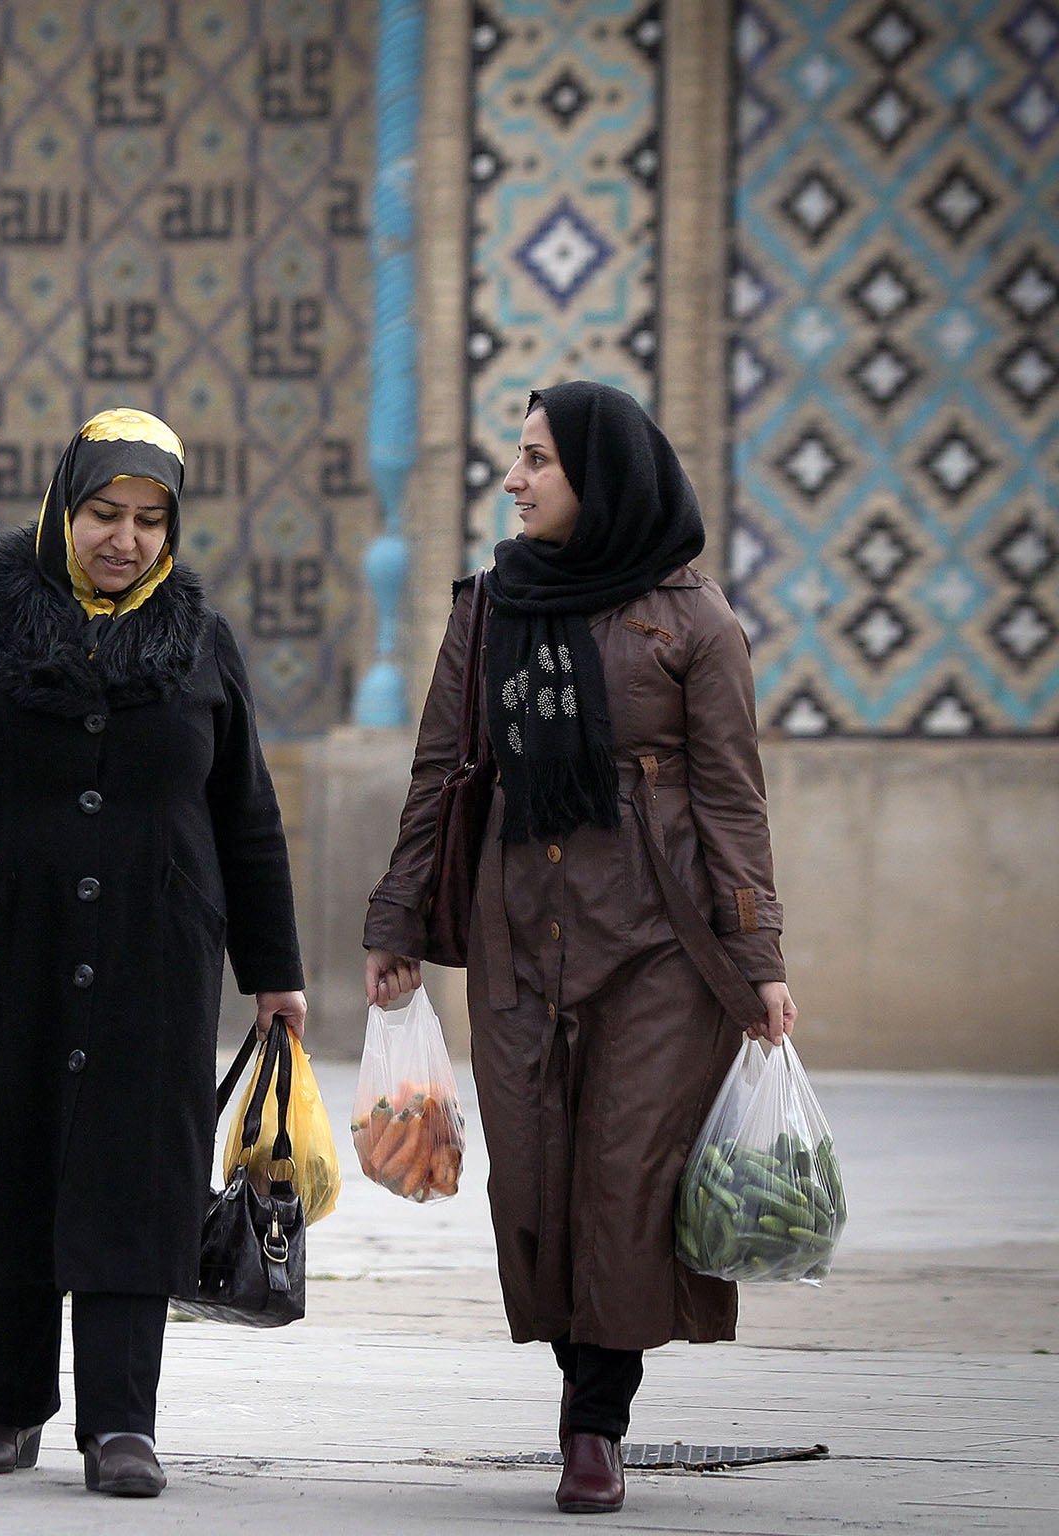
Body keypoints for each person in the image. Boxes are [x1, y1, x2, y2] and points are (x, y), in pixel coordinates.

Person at [0, 409, 306, 1499]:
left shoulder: (199, 641)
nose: (124, 539)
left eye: (148, 520)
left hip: (154, 952)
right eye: (103, 512)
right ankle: (5, 1409)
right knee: (8, 1162)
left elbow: (245, 814)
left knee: (136, 1175)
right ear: (62, 508)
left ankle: (121, 1426)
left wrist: (271, 971)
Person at [362, 381, 796, 1516]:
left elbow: (730, 804)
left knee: (622, 1177)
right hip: (518, 929)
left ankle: (592, 1425)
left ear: (600, 479)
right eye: (516, 458)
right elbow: (441, 771)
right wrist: (396, 917)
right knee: (538, 1177)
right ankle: (578, 1387)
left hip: (661, 942)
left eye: (536, 461)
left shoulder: (694, 625)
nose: (513, 480)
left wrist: (758, 960)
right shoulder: (490, 606)